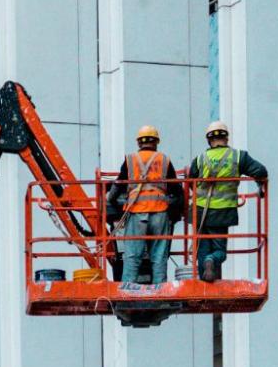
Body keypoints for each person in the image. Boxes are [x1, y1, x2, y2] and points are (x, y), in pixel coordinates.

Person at [185, 120, 268, 282]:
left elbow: (190, 182)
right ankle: (213, 260)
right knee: (219, 250)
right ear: (226, 138)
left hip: (201, 212)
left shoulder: (200, 159)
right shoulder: (238, 157)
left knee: (202, 248)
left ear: (209, 140)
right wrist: (260, 185)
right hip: (223, 212)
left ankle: (205, 281)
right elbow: (261, 170)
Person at [106, 125, 182, 286]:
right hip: (160, 213)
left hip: (136, 213)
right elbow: (177, 190)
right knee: (159, 255)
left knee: (133, 254)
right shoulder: (164, 160)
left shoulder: (130, 160)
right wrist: (173, 209)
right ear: (156, 142)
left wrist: (112, 202)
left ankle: (128, 289)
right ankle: (159, 289)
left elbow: (118, 185)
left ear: (139, 143)